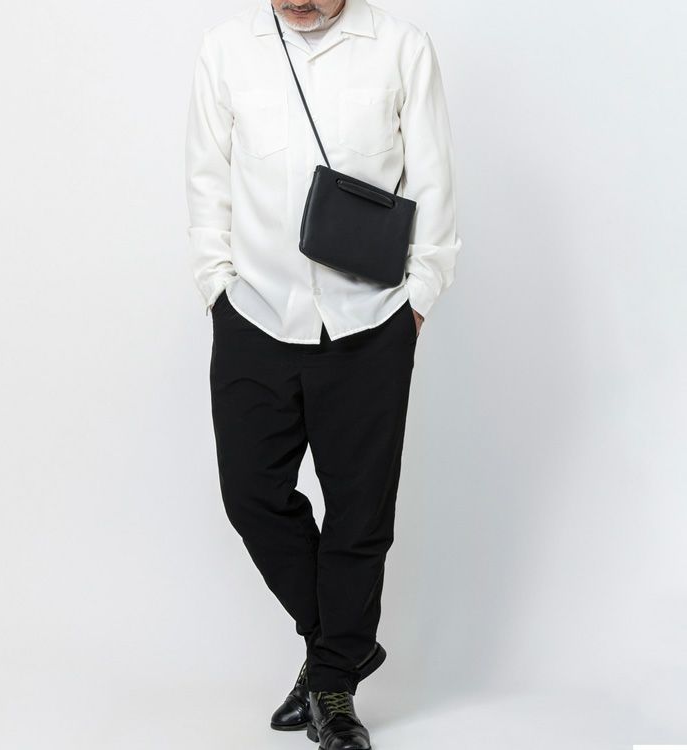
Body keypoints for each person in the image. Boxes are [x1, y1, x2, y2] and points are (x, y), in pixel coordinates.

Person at [185, 0, 461, 747]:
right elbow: (208, 179)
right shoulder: (225, 49)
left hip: (370, 320)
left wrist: (418, 301)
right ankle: (338, 645)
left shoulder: (402, 48)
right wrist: (216, 287)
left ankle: (333, 688)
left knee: (359, 515)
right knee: (251, 494)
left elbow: (433, 180)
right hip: (255, 313)